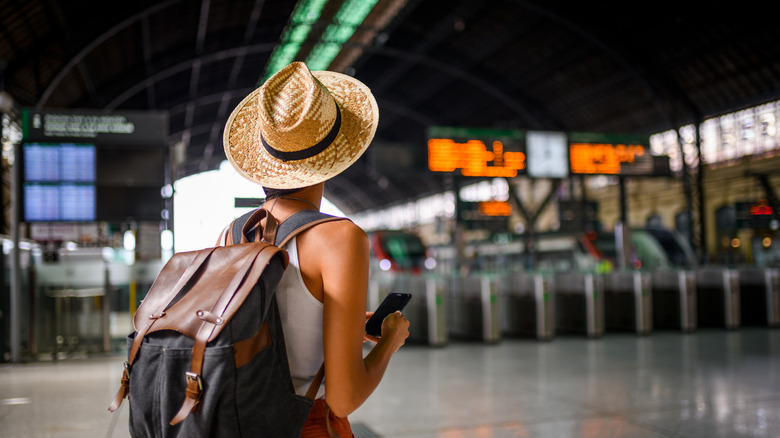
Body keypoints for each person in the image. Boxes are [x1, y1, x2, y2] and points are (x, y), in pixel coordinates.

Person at [223, 61, 410, 437]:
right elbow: (343, 399)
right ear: (330, 162)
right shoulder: (341, 238)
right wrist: (390, 341)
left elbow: (267, 329)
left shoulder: (231, 233)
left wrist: (347, 324)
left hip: (239, 422)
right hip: (306, 426)